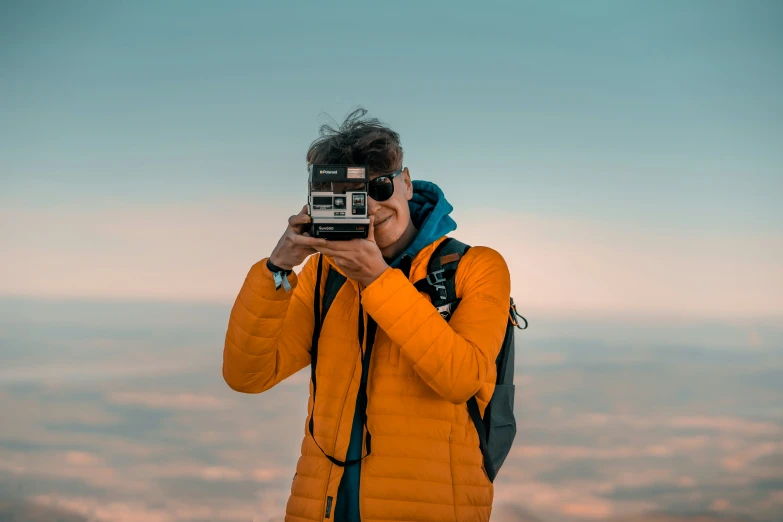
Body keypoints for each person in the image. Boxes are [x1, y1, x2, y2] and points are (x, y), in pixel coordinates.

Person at [223, 108, 511, 522]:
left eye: (379, 187)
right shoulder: (326, 275)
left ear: (406, 183)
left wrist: (376, 278)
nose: (372, 207)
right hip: (320, 505)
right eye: (353, 196)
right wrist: (277, 268)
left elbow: (461, 378)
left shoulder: (474, 266)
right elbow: (247, 375)